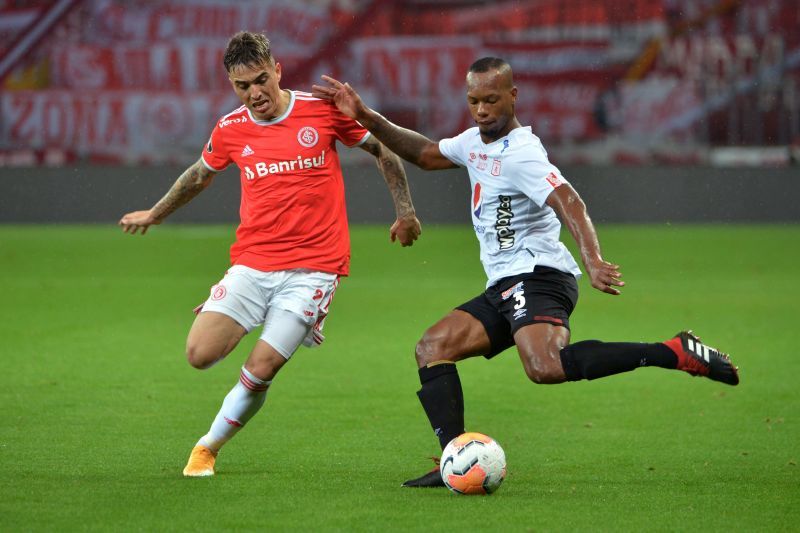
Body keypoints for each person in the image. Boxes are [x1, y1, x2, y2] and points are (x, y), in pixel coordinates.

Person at [312, 57, 739, 488]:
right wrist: (365, 115)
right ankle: (456, 459)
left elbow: (570, 201)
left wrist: (591, 259)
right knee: (432, 348)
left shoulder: (523, 153)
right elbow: (423, 153)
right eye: (474, 101)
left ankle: (674, 352)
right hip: (505, 283)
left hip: (540, 276)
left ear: (513, 96)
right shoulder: (474, 142)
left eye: (491, 100)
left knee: (544, 366)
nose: (481, 110)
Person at [119, 31, 421, 477]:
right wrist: (157, 213)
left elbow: (385, 150)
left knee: (261, 366)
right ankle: (245, 315)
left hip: (314, 269)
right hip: (253, 265)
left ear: (277, 70)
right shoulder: (230, 128)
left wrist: (406, 212)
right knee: (199, 354)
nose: (255, 93)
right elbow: (200, 175)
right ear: (232, 86)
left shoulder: (320, 113)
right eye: (243, 86)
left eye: (261, 80)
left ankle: (207, 447)